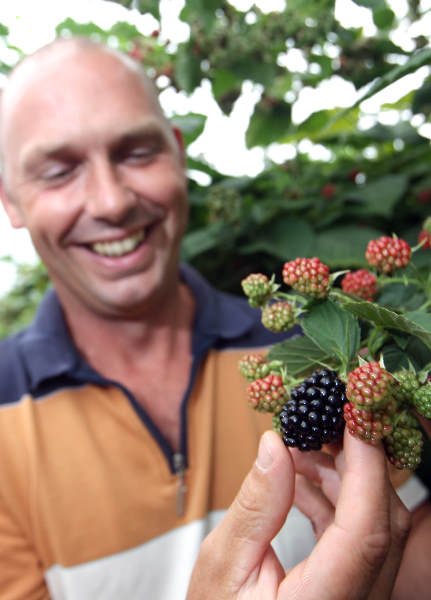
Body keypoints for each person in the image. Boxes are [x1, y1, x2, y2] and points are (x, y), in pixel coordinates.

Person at [0, 36, 429, 600]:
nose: (109, 201)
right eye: (58, 171)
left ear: (178, 155)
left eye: (136, 152)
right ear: (9, 198)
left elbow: (413, 551)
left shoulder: (313, 348)